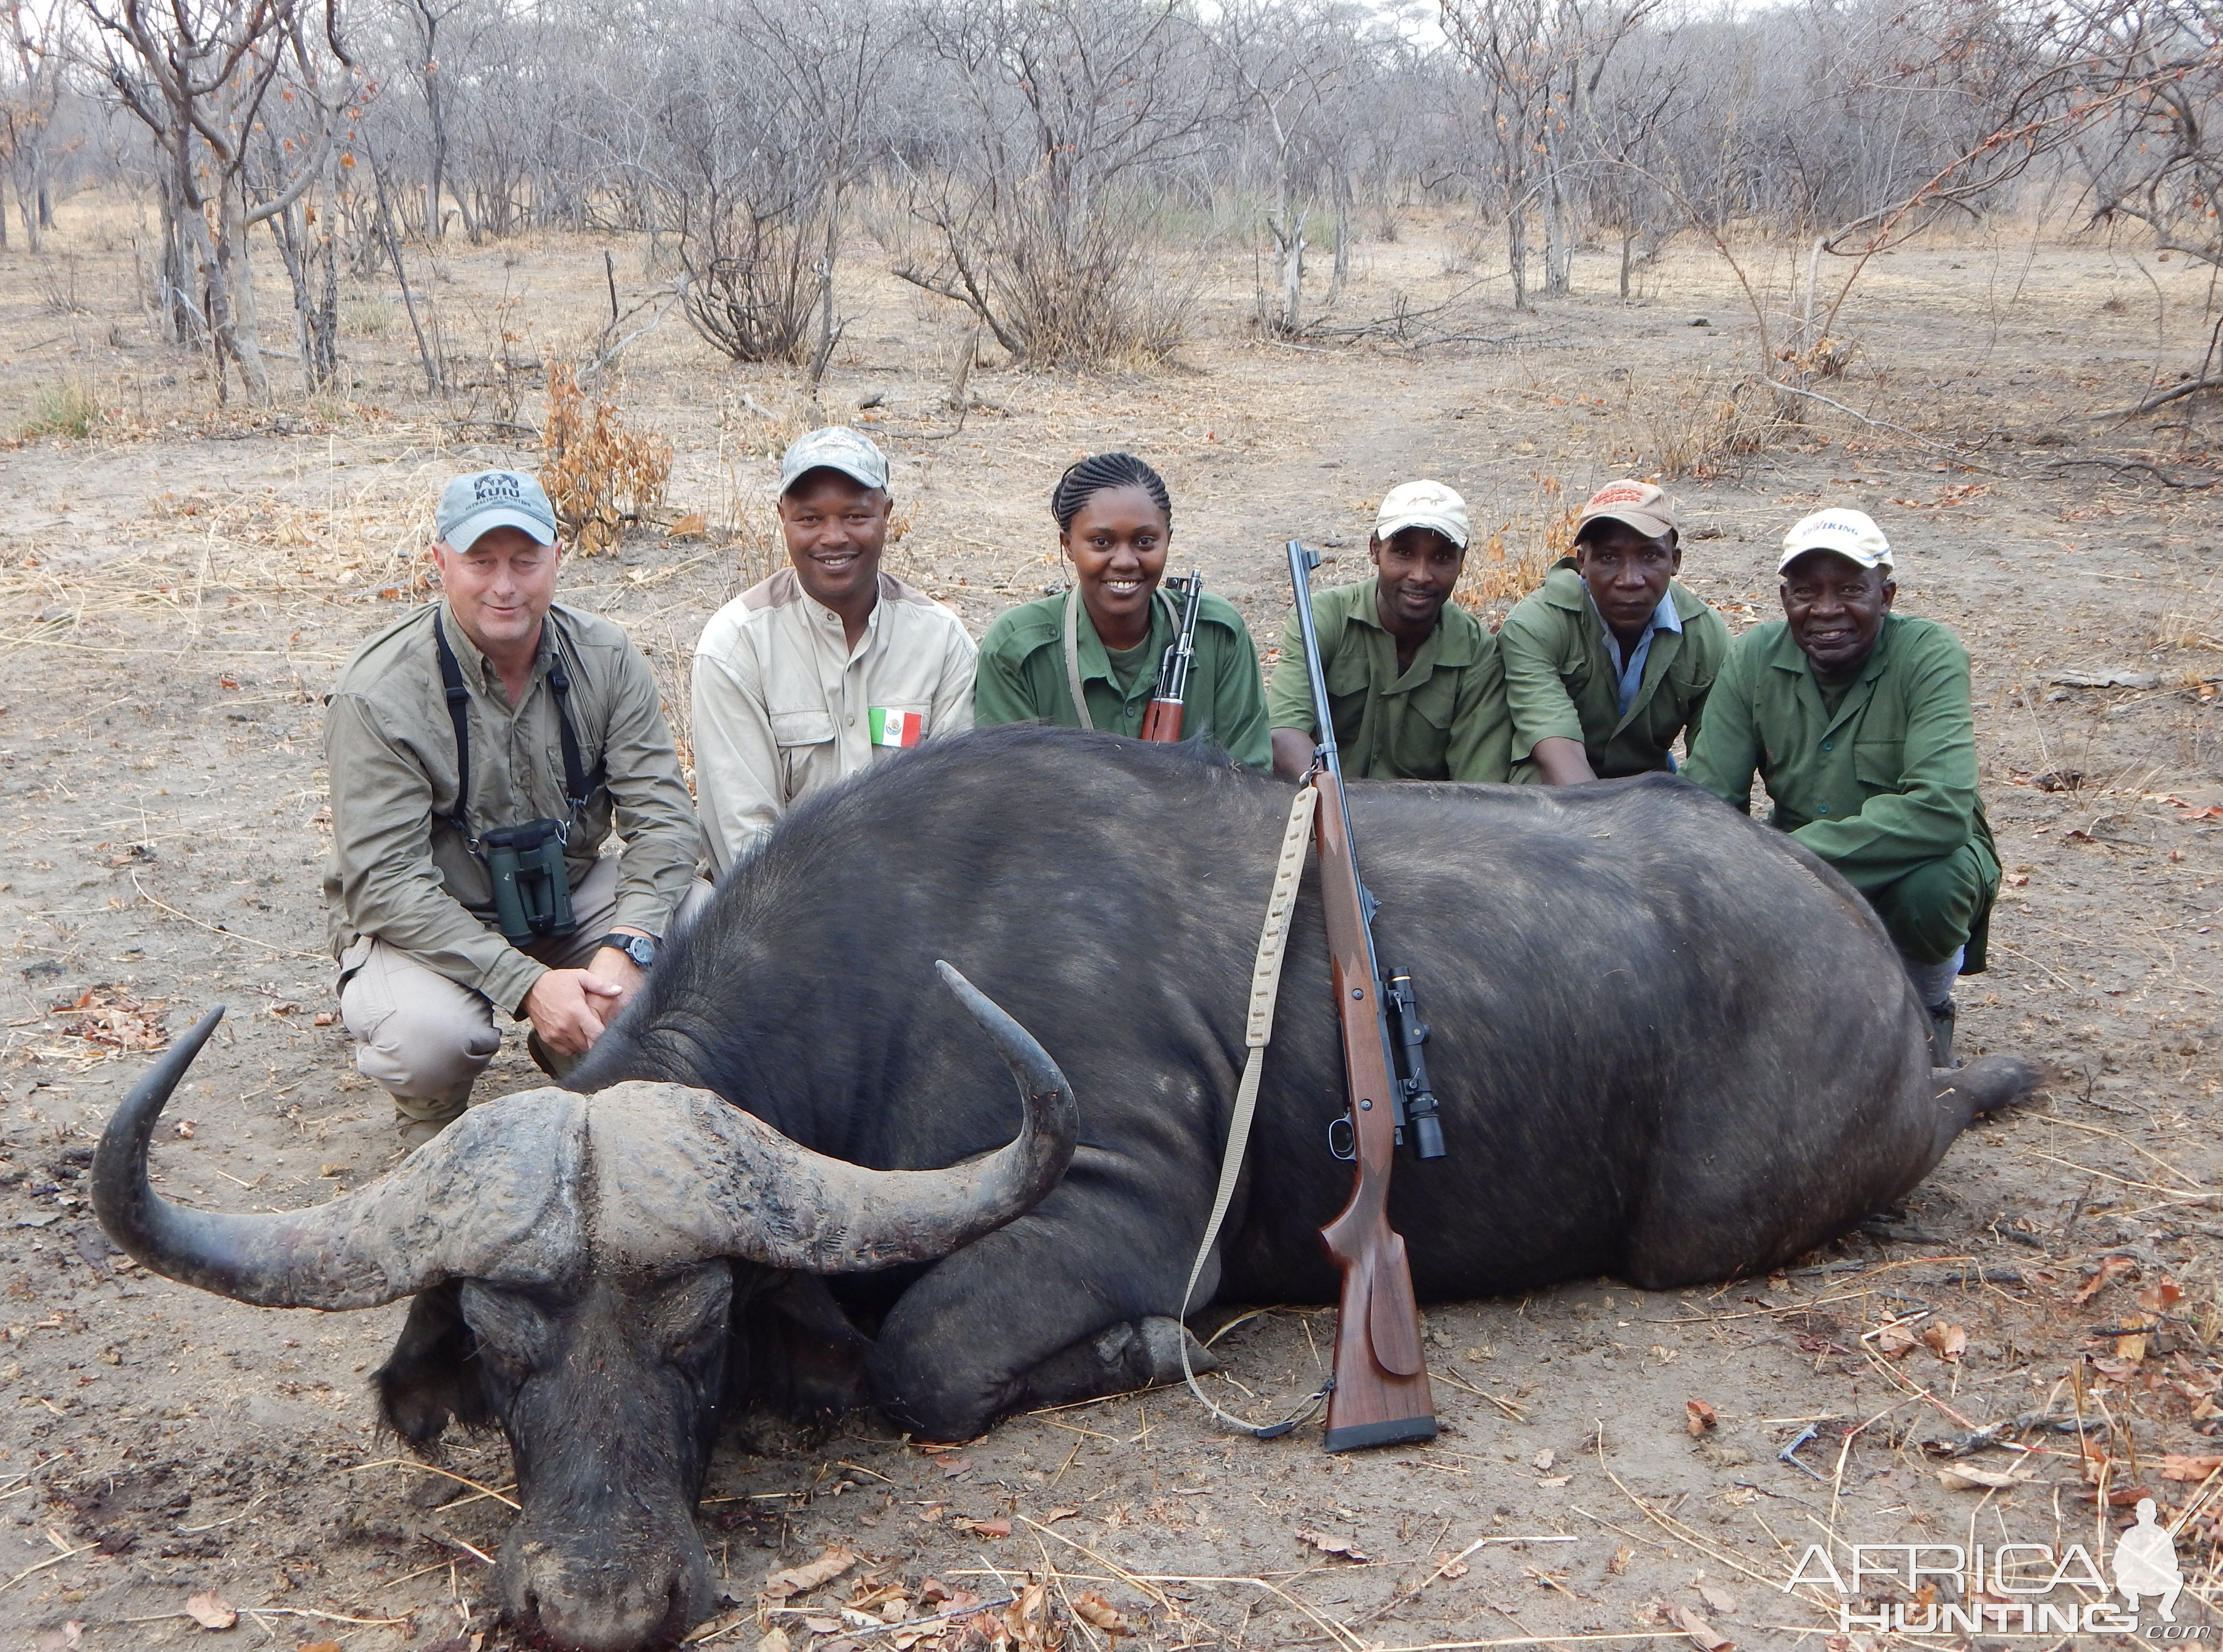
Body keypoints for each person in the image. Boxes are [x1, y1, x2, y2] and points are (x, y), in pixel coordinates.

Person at [324, 469, 711, 1144]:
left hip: (569, 893)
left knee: (702, 921)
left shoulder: (608, 656)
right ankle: (432, 1127)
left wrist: (627, 948)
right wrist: (529, 985)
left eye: (526, 561)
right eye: (481, 562)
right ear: (440, 562)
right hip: (436, 917)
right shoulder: (378, 693)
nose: (505, 586)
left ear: (557, 560)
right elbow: (385, 884)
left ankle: (583, 1059)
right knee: (429, 1039)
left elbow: (666, 824)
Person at [1684, 509, 1999, 1065]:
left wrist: (1779, 858)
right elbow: (1709, 799)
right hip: (1797, 865)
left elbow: (1942, 810)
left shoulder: (1929, 654)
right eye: (1806, 591)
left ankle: (1928, 1009)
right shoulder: (1754, 655)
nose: (1826, 610)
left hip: (1908, 858)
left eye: (1852, 589)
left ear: (1887, 594)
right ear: (1786, 599)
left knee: (1935, 885)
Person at [692, 427, 976, 874]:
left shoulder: (941, 641)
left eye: (856, 516)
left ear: (887, 514)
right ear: (782, 517)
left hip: (913, 908)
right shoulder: (735, 645)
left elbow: (954, 819)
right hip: (779, 914)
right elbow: (747, 841)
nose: (833, 537)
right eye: (809, 519)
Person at [972, 452, 1271, 769]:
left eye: (1145, 542)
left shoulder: (1217, 635)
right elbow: (1011, 793)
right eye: (1101, 542)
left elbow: (1249, 783)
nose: (1125, 562)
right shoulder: (1017, 651)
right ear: (1068, 545)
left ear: (1168, 541)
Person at [1267, 480, 1511, 783]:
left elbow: (1479, 786)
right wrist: (1332, 798)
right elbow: (1283, 734)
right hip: (1321, 809)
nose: (1421, 576)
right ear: (1375, 550)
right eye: (1404, 553)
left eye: (1441, 558)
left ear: (1462, 561)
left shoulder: (1478, 653)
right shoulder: (1322, 618)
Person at [1498, 479, 1729, 783]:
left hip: (1645, 786)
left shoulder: (1704, 634)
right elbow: (1557, 746)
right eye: (1609, 557)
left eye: (1650, 556)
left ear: (1674, 561)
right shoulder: (1536, 624)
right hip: (1554, 790)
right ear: (1583, 562)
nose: (1630, 580)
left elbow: (1714, 765)